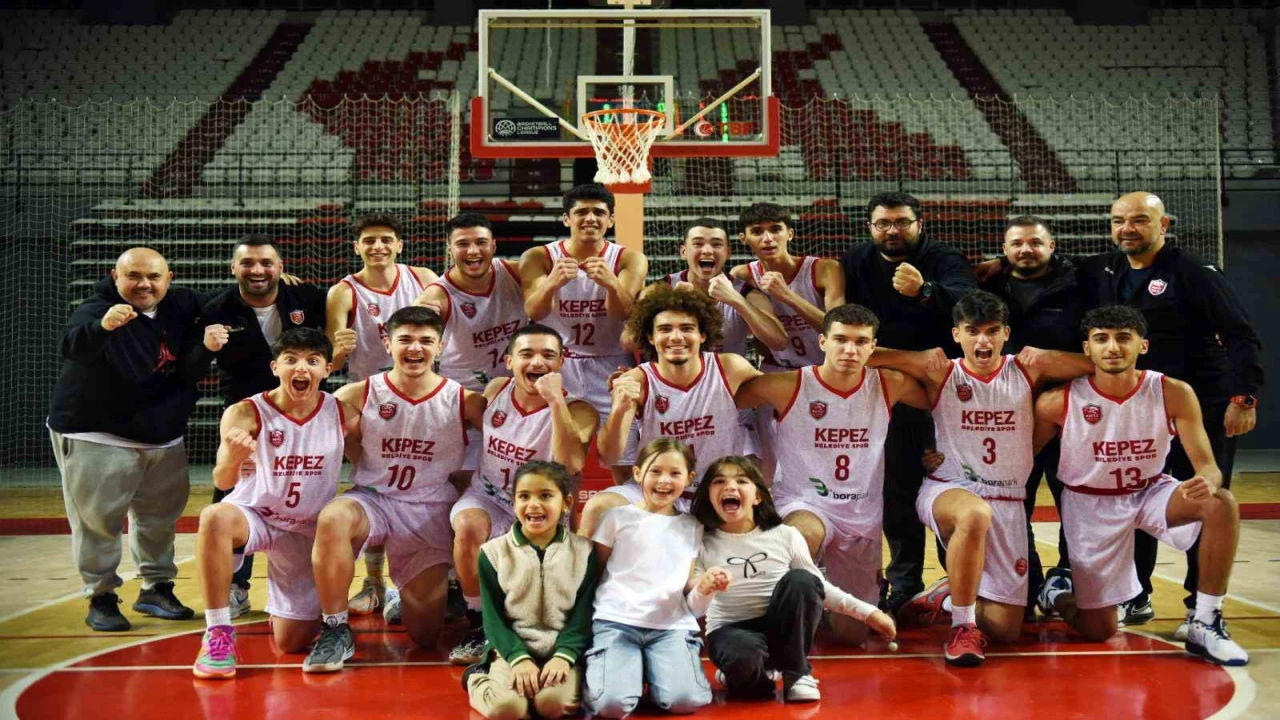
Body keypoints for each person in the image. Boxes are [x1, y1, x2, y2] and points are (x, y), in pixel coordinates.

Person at [869, 291, 1094, 666]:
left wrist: (1053, 356)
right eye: (972, 331)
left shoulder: (1029, 367)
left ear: (1007, 333)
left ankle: (944, 595)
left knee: (1006, 631)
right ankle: (962, 627)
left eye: (992, 331)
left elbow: (1101, 362)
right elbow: (865, 355)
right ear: (956, 334)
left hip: (1007, 499)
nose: (983, 341)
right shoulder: (940, 370)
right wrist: (914, 356)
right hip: (950, 489)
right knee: (974, 515)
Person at [1077, 192, 1263, 629]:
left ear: (1164, 224)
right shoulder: (1106, 270)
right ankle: (1135, 595)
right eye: (1119, 220)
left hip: (1203, 404)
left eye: (1140, 220)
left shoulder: (1195, 273)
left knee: (1203, 497)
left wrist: (1244, 397)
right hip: (1140, 412)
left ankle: (1200, 608)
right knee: (1136, 499)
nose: (1127, 228)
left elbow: (1240, 335)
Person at [1033, 305, 1248, 666]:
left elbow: (1209, 467)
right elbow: (1024, 460)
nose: (1112, 347)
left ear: (1142, 346)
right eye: (1101, 339)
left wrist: (1206, 483)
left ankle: (1206, 621)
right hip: (1090, 505)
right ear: (1087, 349)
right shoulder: (1057, 402)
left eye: (1123, 338)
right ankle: (1058, 593)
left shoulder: (1173, 391)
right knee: (1100, 630)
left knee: (1221, 502)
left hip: (1149, 491)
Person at [734, 304, 930, 645]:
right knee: (802, 534)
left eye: (860, 342)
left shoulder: (889, 384)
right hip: (804, 501)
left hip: (861, 514)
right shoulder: (789, 384)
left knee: (851, 636)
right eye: (840, 339)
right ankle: (774, 624)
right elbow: (721, 395)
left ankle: (825, 595)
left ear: (873, 347)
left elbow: (940, 396)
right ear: (822, 341)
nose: (850, 350)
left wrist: (938, 449)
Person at [304, 307, 486, 672]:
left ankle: (403, 595)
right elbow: (320, 438)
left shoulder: (464, 400)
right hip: (375, 500)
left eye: (425, 341)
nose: (414, 348)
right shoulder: (358, 393)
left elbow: (503, 439)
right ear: (388, 343)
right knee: (334, 517)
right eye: (405, 339)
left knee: (424, 635)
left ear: (441, 346)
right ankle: (335, 629)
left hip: (429, 507)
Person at [49, 247, 216, 632]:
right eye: (134, 276)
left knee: (160, 520)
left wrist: (278, 286)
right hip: (97, 433)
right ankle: (101, 596)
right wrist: (102, 327)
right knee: (98, 522)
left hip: (162, 436)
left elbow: (227, 303)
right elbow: (71, 344)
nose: (144, 284)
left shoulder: (181, 304)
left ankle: (156, 589)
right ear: (115, 277)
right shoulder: (98, 309)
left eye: (153, 277)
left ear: (169, 278)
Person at [840, 191, 979, 614]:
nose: (893, 230)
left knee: (946, 477)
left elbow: (970, 305)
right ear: (870, 227)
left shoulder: (943, 258)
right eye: (883, 223)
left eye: (901, 222)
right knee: (897, 484)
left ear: (920, 224)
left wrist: (925, 291)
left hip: (942, 391)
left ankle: (953, 580)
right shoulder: (855, 262)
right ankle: (903, 580)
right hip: (885, 388)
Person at [191, 328, 357, 679]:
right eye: (291, 360)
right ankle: (218, 633)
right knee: (214, 517)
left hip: (307, 528)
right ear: (274, 367)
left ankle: (290, 610)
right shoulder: (245, 412)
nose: (302, 369)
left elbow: (370, 466)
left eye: (313, 361)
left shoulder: (342, 413)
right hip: (256, 516)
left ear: (327, 370)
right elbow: (222, 481)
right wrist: (233, 457)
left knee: (291, 643)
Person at [686, 456, 896, 703]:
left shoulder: (785, 535)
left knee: (801, 580)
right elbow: (694, 607)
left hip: (783, 627)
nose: (730, 487)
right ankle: (743, 672)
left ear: (758, 496)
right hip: (731, 630)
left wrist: (869, 613)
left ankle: (797, 673)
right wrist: (705, 587)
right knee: (749, 682)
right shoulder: (700, 540)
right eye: (719, 481)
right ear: (709, 496)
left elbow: (818, 586)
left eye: (741, 480)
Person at [449, 324, 598, 665]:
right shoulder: (497, 388)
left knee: (540, 617)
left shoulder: (580, 410)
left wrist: (555, 399)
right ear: (509, 360)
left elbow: (569, 463)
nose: (537, 362)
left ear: (561, 363)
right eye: (527, 354)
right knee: (469, 526)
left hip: (540, 508)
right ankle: (477, 622)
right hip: (488, 496)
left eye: (548, 355)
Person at [200, 234, 327, 618]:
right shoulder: (216, 309)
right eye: (248, 263)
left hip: (303, 406)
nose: (258, 270)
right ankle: (235, 586)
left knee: (301, 483)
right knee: (235, 490)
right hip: (249, 410)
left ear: (281, 268)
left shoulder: (304, 298)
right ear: (233, 268)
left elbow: (345, 307)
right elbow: (189, 359)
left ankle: (322, 578)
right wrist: (207, 346)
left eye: (266, 263)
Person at [326, 213, 440, 616]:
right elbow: (330, 360)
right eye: (369, 240)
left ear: (399, 245)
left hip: (422, 397)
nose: (378, 247)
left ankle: (410, 579)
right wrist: (339, 348)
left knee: (422, 489)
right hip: (371, 398)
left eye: (386, 239)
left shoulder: (423, 278)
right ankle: (373, 582)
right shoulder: (343, 292)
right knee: (376, 487)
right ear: (357, 247)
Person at [581, 286, 760, 536]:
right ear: (651, 338)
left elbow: (781, 398)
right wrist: (620, 409)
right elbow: (609, 457)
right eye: (665, 329)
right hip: (658, 490)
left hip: (716, 492)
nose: (676, 337)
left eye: (686, 328)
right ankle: (587, 576)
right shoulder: (638, 380)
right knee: (597, 508)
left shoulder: (730, 368)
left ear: (703, 335)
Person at [979, 216, 1087, 611]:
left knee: (1074, 501)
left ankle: (1067, 577)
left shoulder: (1081, 283)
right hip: (1004, 416)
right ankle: (1026, 581)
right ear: (1004, 250)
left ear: (1052, 246)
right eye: (1017, 244)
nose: (1026, 249)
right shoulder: (986, 284)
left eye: (1035, 243)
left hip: (1067, 414)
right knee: (1012, 503)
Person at [518, 184, 648, 483]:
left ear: (611, 220)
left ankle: (626, 522)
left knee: (623, 460)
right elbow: (534, 311)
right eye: (581, 212)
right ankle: (566, 524)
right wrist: (552, 282)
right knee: (565, 460)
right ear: (567, 219)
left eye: (599, 212)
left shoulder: (629, 259)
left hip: (612, 364)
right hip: (562, 366)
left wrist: (612, 284)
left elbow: (623, 313)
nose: (590, 218)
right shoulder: (539, 257)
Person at [583, 439, 712, 718]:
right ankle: (615, 669)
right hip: (617, 623)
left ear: (689, 478)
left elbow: (688, 580)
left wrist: (705, 584)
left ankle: (653, 672)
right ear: (638, 473)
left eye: (675, 473)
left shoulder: (692, 526)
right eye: (655, 471)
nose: (664, 481)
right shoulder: (616, 518)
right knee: (611, 707)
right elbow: (596, 570)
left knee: (685, 701)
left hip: (670, 626)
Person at [464, 461, 601, 720]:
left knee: (552, 707)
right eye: (524, 496)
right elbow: (492, 618)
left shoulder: (585, 552)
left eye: (546, 496)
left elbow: (583, 614)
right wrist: (517, 658)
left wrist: (565, 655)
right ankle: (478, 681)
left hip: (561, 651)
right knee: (507, 711)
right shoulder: (492, 553)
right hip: (511, 650)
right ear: (513, 502)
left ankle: (551, 685)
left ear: (566, 503)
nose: (534, 505)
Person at [728, 203, 845, 485]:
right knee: (772, 460)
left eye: (775, 230)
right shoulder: (741, 275)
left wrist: (788, 296)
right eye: (757, 232)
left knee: (824, 451)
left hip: (821, 372)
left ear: (789, 234)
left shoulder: (824, 269)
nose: (767, 238)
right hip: (775, 371)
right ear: (744, 239)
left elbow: (839, 329)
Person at [653, 217, 787, 356]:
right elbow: (630, 342)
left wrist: (737, 300)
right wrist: (671, 305)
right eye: (698, 244)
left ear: (728, 252)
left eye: (716, 244)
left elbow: (779, 343)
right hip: (676, 376)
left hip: (727, 375)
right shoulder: (660, 289)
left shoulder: (747, 293)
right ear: (684, 252)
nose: (707, 251)